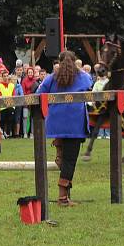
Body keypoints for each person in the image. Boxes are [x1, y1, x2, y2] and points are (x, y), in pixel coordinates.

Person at [36, 50, 93, 206]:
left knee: (65, 158)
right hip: (74, 124)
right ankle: (62, 198)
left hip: (56, 123)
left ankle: (59, 150)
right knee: (70, 160)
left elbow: (39, 93)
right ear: (75, 62)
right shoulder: (83, 76)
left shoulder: (52, 77)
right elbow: (90, 84)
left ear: (58, 62)